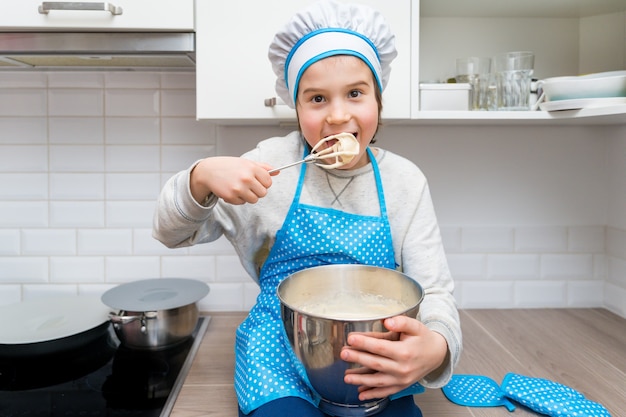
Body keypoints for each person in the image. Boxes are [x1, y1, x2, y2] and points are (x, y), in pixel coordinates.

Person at [153, 1, 462, 416]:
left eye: (355, 93)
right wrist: (200, 178)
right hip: (277, 352)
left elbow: (436, 290)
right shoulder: (267, 167)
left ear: (379, 99)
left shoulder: (405, 182)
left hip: (372, 358)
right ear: (295, 108)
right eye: (317, 98)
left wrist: (437, 346)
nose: (338, 115)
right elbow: (170, 233)